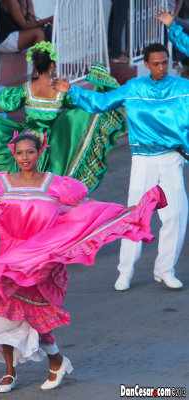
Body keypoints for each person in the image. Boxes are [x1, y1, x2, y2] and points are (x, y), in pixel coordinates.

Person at [0, 133, 166, 392]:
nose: (25, 158)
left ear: (40, 152)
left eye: (30, 152)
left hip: (45, 260)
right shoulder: (1, 185)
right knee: (3, 313)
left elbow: (87, 208)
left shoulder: (58, 186)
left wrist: (125, 212)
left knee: (37, 318)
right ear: (13, 154)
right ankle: (10, 372)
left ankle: (56, 361)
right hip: (10, 259)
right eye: (20, 153)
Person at [53, 43, 189, 291]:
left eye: (165, 62)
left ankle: (165, 270)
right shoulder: (134, 88)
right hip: (143, 159)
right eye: (156, 64)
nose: (161, 68)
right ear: (146, 65)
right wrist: (71, 91)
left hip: (172, 157)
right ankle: (125, 272)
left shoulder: (184, 88)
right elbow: (103, 102)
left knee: (176, 215)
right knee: (134, 215)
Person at [0, 41, 126, 193]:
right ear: (52, 65)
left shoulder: (26, 89)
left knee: (22, 185)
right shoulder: (60, 92)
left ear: (35, 66)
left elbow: (1, 107)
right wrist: (98, 90)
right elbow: (82, 105)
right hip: (54, 147)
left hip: (26, 143)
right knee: (51, 188)